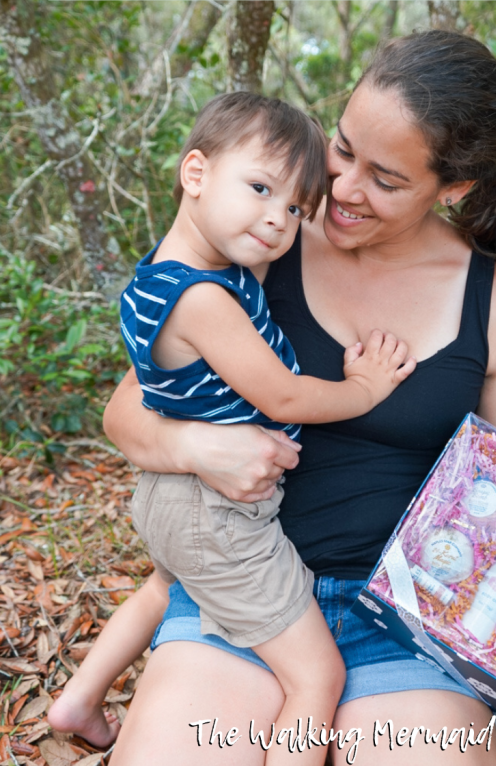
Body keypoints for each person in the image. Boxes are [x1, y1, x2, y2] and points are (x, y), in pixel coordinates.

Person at [101, 32, 496, 765]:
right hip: (247, 596)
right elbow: (127, 409)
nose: (344, 191)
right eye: (344, 148)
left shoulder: (491, 302)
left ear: (450, 189)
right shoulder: (266, 237)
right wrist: (198, 444)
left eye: (386, 179)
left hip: (406, 625)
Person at [48, 94, 416, 764]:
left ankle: (79, 697)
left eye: (296, 207)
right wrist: (363, 388)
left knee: (166, 585)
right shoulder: (205, 300)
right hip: (219, 513)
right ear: (195, 174)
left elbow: (259, 246)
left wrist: (268, 214)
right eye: (258, 189)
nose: (277, 219)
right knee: (317, 676)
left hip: (172, 499)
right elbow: (281, 392)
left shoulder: (170, 277)